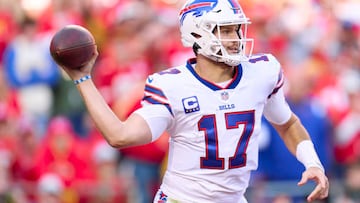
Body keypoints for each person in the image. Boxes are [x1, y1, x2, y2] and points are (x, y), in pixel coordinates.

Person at [56, 0, 329, 202]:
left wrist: (312, 162)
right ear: (196, 34)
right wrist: (83, 79)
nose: (235, 39)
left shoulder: (262, 71)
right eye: (224, 30)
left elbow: (287, 123)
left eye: (236, 29)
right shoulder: (172, 85)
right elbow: (120, 136)